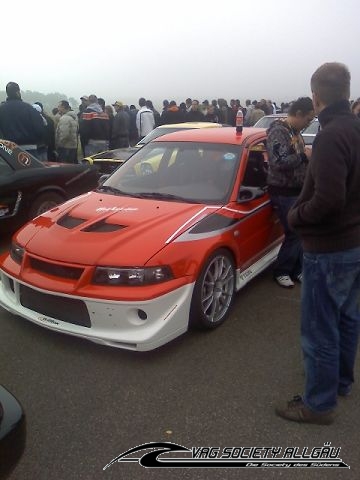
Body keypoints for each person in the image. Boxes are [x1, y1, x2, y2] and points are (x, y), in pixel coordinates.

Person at [275, 62, 360, 425]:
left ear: (315, 96)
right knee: (347, 318)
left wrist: (296, 216)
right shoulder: (355, 128)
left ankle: (319, 404)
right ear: (346, 91)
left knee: (319, 328)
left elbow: (327, 200)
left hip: (329, 249)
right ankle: (340, 382)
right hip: (354, 244)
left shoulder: (330, 136)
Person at [266, 97, 314, 288]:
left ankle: (297, 269)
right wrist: (304, 156)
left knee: (300, 230)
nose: (309, 123)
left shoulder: (294, 131)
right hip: (283, 191)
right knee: (294, 232)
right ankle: (282, 270)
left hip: (297, 189)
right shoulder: (278, 132)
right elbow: (278, 162)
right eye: (308, 119)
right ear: (299, 114)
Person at [0, 82, 45, 158]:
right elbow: (40, 128)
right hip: (30, 149)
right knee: (32, 169)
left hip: (8, 150)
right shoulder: (29, 108)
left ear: (7, 93)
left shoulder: (1, 109)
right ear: (18, 92)